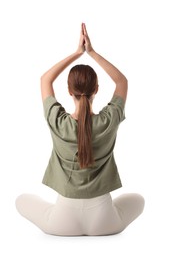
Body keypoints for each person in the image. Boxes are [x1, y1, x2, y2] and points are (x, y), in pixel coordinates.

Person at [15, 23, 144, 236]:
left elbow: (45, 79)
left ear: (68, 91)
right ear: (96, 90)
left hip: (61, 221)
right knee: (139, 200)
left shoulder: (58, 121)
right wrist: (91, 52)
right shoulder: (109, 120)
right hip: (104, 221)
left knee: (21, 200)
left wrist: (77, 53)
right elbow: (122, 81)